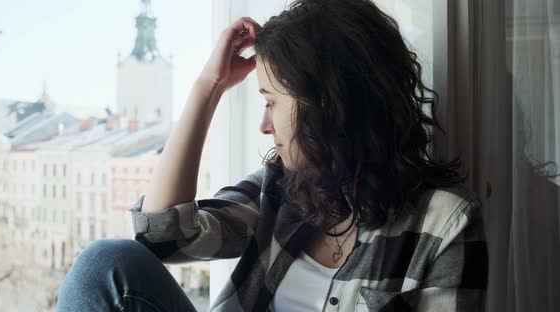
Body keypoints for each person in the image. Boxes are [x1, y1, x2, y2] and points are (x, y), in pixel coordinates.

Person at [56, 0, 488, 311]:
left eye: (272, 102)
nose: (264, 125)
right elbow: (165, 236)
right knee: (106, 263)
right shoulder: (284, 189)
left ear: (329, 104)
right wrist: (209, 87)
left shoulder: (444, 224)